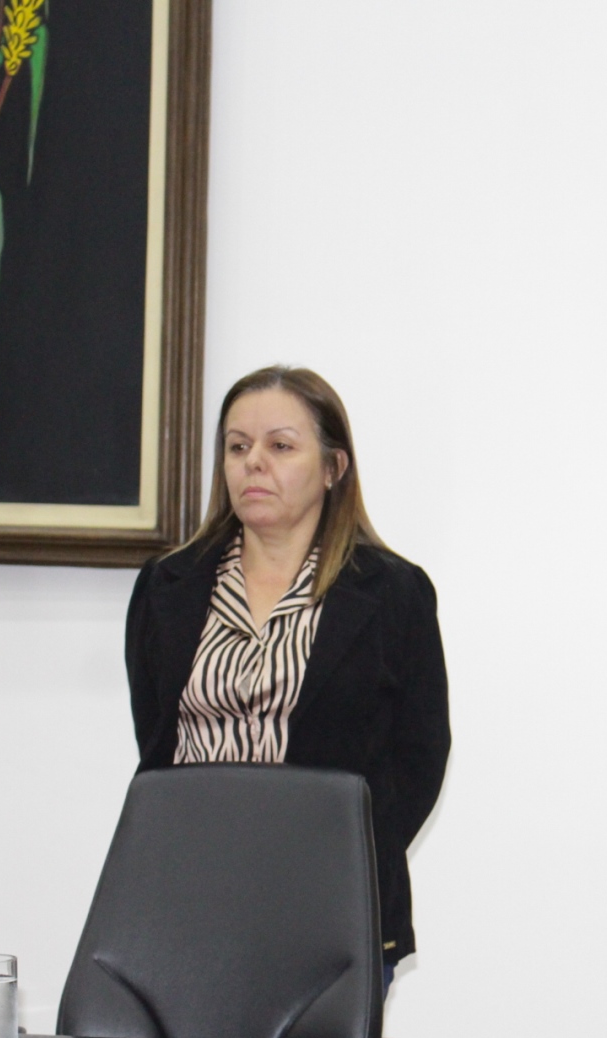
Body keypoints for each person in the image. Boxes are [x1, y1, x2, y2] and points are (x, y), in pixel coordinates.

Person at [125, 365, 451, 995]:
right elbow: (157, 738)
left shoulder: (391, 593)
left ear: (333, 468)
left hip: (329, 910)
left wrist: (345, 858)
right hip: (183, 902)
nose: (254, 463)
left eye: (280, 446)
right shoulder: (168, 587)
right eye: (237, 446)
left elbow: (421, 758)